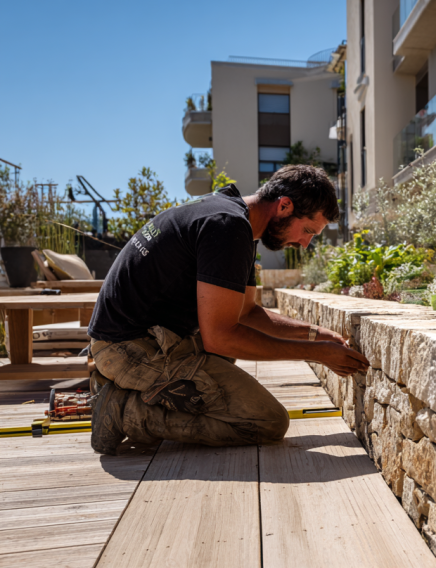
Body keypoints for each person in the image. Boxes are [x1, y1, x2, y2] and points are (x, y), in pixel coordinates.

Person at [87, 165, 368, 455]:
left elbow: (247, 313)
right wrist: (316, 353)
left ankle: (132, 392)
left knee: (230, 350)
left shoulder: (234, 220)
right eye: (308, 230)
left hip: (132, 338)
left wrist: (315, 335)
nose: (305, 243)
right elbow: (219, 337)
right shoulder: (227, 227)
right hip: (126, 350)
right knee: (266, 422)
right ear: (284, 206)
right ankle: (125, 412)